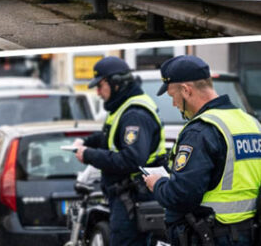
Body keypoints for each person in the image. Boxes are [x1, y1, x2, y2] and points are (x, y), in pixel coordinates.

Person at [142, 56, 261, 246]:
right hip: (249, 232)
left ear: (186, 90)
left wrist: (157, 184)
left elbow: (181, 196)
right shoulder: (251, 123)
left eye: (172, 96)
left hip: (213, 235)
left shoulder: (201, 130)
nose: (174, 104)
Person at [74, 57, 167, 246]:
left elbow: (131, 159)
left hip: (135, 199)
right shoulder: (122, 108)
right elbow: (109, 137)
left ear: (116, 83)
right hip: (128, 198)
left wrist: (89, 155)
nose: (98, 93)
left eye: (100, 86)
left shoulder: (134, 114)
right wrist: (85, 142)